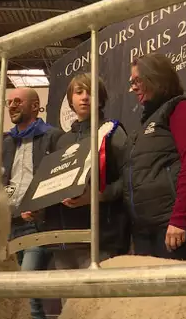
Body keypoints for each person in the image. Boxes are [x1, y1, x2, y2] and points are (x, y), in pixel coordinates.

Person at [125, 53, 186, 260]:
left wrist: (180, 219)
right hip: (149, 231)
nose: (133, 88)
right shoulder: (146, 124)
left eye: (137, 80)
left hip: (177, 229)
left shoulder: (182, 108)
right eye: (131, 82)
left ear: (155, 77)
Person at [43, 73, 130, 270]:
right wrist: (38, 207)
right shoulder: (61, 140)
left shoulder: (112, 132)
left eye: (91, 92)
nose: (84, 97)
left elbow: (129, 179)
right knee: (69, 301)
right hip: (65, 238)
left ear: (101, 98)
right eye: (79, 92)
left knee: (100, 300)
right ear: (70, 99)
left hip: (101, 236)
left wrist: (98, 196)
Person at [2, 87, 63, 319]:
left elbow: (60, 179)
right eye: (9, 102)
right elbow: (2, 183)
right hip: (9, 227)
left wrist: (41, 208)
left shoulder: (53, 136)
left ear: (36, 106)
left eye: (18, 101)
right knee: (13, 297)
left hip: (37, 227)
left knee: (27, 294)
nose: (12, 106)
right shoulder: (6, 142)